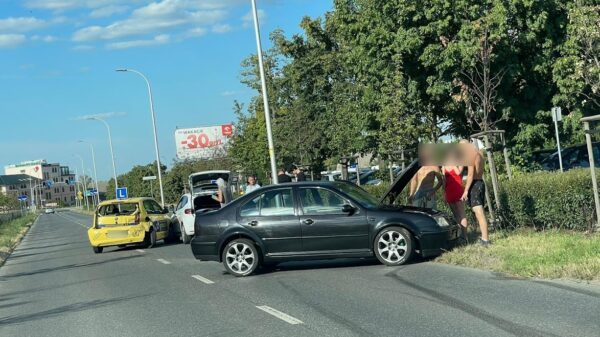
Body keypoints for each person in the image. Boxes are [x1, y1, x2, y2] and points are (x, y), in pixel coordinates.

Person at [461, 140, 490, 245]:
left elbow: (470, 175)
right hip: (480, 182)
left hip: (475, 184)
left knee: (479, 212)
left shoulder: (470, 155)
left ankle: (485, 239)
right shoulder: (479, 153)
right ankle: (484, 237)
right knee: (479, 212)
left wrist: (466, 190)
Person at [443, 163, 468, 241]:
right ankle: (460, 235)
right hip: (449, 191)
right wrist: (444, 193)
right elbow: (444, 180)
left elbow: (458, 173)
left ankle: (465, 236)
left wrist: (453, 165)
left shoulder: (458, 164)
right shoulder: (444, 166)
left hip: (458, 189)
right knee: (456, 215)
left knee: (462, 214)